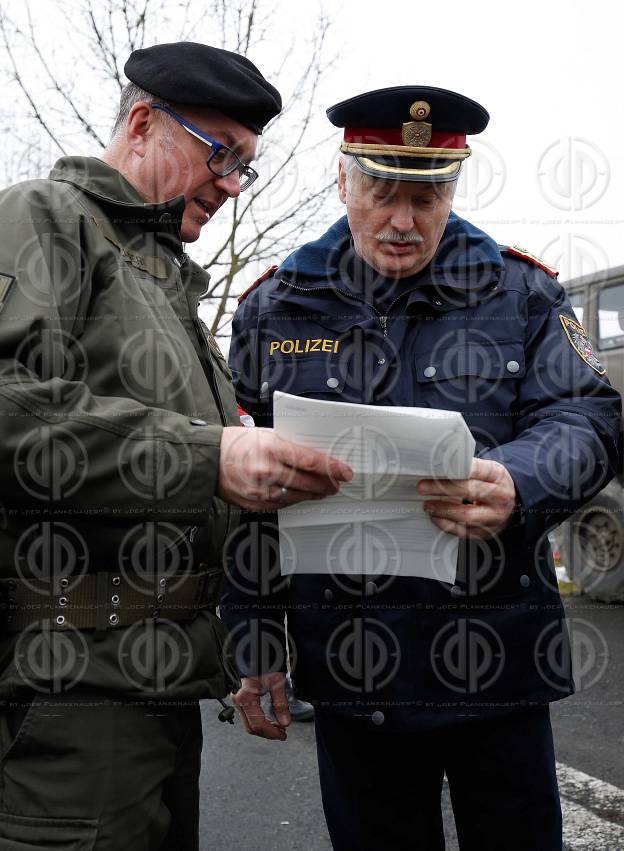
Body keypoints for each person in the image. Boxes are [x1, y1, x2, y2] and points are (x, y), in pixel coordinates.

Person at [222, 86, 621, 851]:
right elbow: (243, 493)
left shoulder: (523, 293)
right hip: (351, 675)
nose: (403, 220)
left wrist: (520, 479)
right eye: (381, 190)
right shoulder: (276, 307)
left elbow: (589, 418)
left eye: (428, 193)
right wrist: (253, 641)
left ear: (455, 186)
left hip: (498, 671)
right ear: (342, 181)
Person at [0, 42, 351, 851]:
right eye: (221, 153)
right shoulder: (45, 219)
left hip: (158, 688)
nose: (232, 182)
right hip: (71, 701)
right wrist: (211, 455)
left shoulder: (163, 280)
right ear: (144, 121)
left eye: (244, 166)